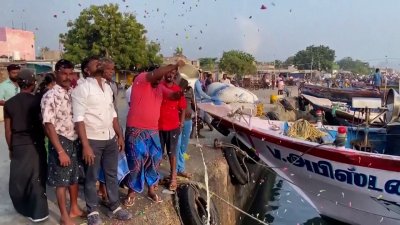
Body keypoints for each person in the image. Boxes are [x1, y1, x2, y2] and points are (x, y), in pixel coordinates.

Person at [72, 58, 132, 225]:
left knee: (111, 174)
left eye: (100, 62)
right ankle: (93, 211)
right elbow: (78, 120)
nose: (99, 64)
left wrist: (119, 135)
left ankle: (115, 206)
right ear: (86, 70)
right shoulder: (82, 89)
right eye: (95, 63)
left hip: (110, 138)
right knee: (91, 177)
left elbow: (113, 114)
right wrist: (85, 146)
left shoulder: (107, 87)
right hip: (92, 140)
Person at [124, 61, 185, 206]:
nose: (160, 80)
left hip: (153, 130)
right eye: (159, 77)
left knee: (155, 160)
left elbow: (174, 96)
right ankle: (131, 192)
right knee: (136, 162)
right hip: (135, 130)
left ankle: (151, 189)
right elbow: (155, 74)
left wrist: (182, 88)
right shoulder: (141, 79)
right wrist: (174, 65)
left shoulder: (160, 88)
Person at [41, 60, 83, 225]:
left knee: (73, 177)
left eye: (70, 73)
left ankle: (74, 208)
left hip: (74, 139)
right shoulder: (49, 96)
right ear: (56, 73)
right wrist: (60, 151)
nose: (67, 77)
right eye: (64, 73)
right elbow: (48, 125)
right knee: (61, 181)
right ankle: (64, 217)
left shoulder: (72, 92)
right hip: (60, 141)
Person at [4, 69, 49, 223]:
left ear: (18, 83)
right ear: (32, 83)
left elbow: (8, 131)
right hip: (35, 143)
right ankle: (38, 212)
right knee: (36, 176)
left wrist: (11, 148)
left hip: (18, 144)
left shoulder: (9, 104)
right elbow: (45, 124)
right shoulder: (38, 100)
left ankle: (23, 207)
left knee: (20, 178)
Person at [159, 69, 187, 191]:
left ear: (175, 75)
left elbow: (183, 108)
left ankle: (173, 177)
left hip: (173, 126)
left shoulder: (177, 90)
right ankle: (154, 177)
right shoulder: (159, 87)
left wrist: (181, 124)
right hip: (158, 126)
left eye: (172, 73)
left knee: (172, 153)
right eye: (168, 72)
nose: (170, 75)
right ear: (164, 74)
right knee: (157, 154)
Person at [176, 79, 194, 179]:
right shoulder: (177, 89)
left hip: (188, 121)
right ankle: (175, 171)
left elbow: (193, 103)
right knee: (177, 145)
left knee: (183, 145)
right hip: (177, 121)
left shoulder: (191, 90)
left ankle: (181, 169)